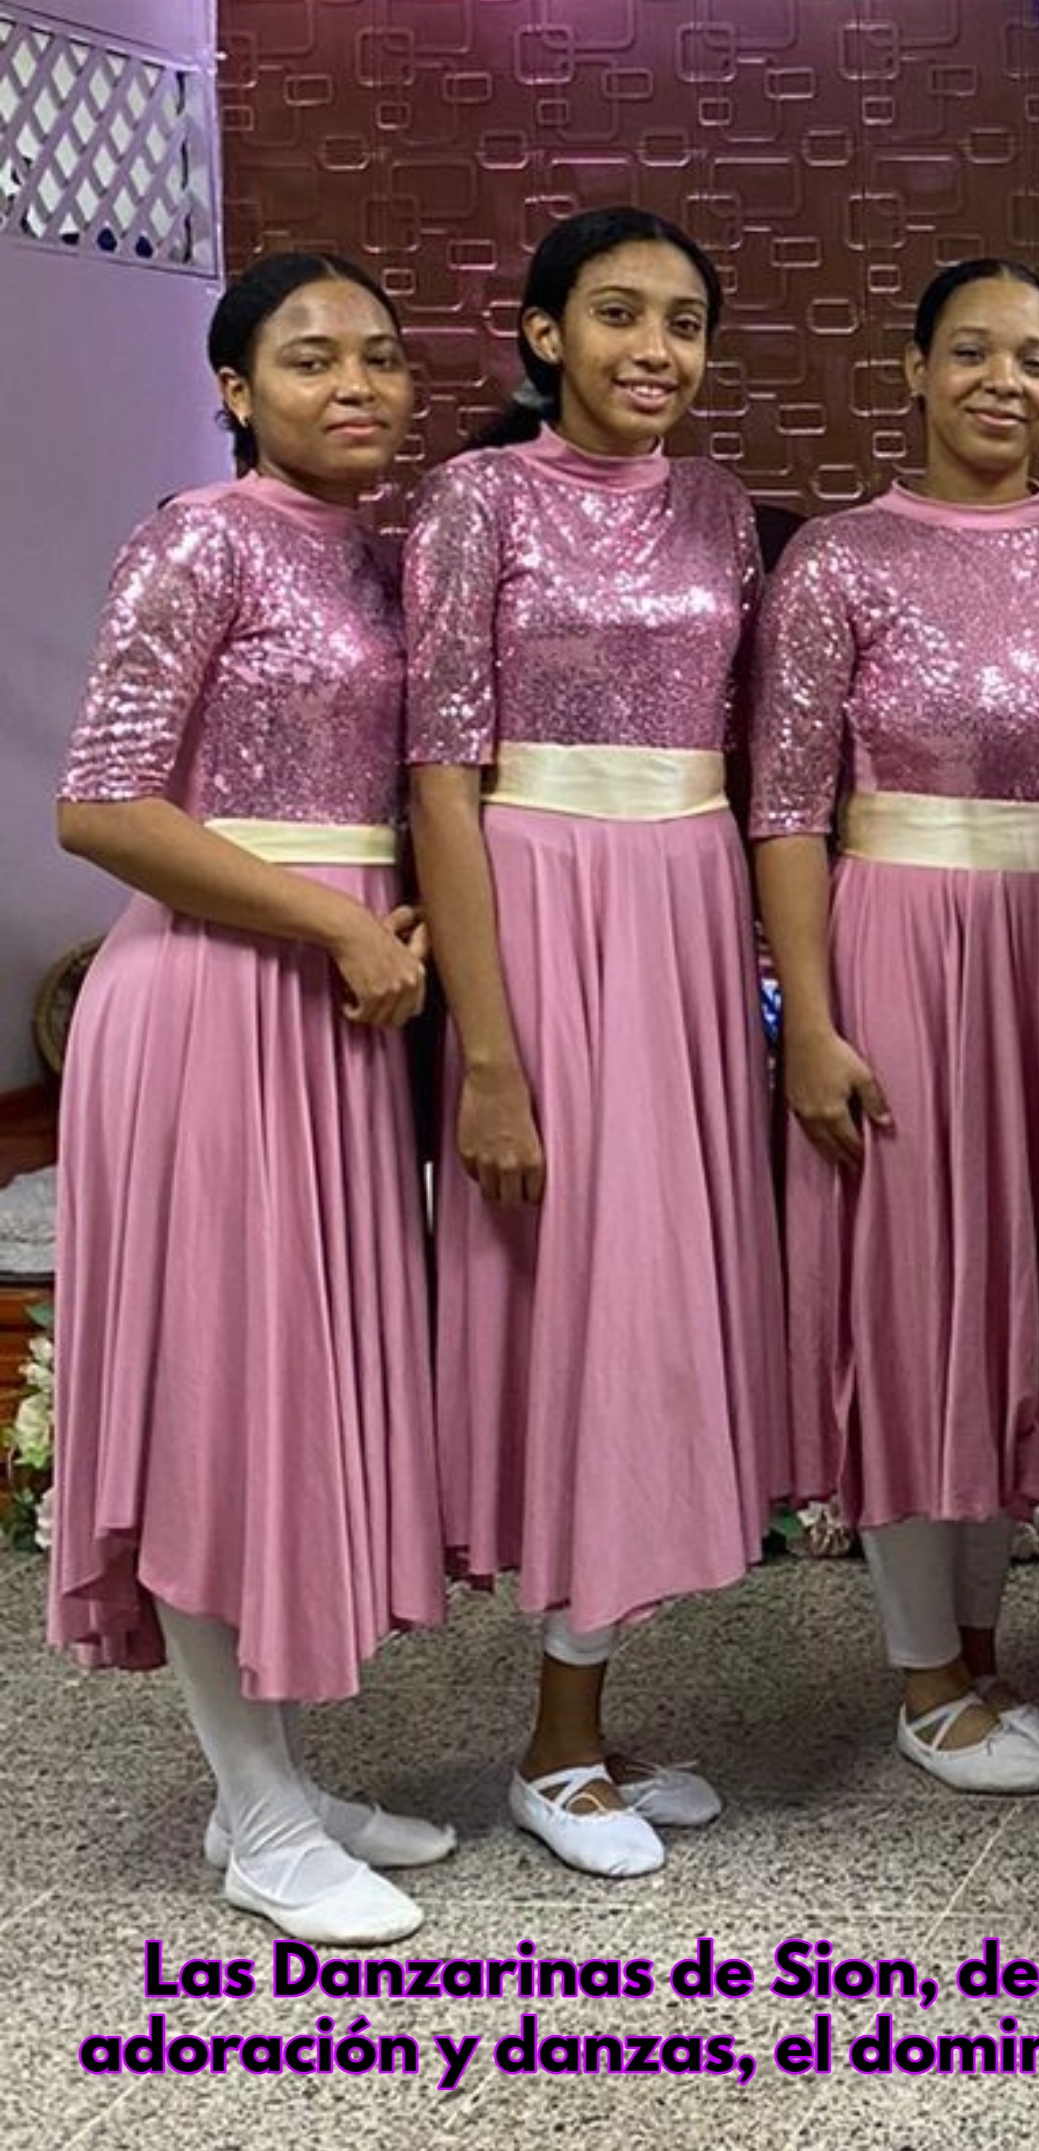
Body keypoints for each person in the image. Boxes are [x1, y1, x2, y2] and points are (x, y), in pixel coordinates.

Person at [50, 252, 446, 1947]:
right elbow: (103, 806)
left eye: (377, 355)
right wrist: (332, 922)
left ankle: (275, 1781)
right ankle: (260, 1813)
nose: (352, 383)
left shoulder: (381, 553)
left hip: (337, 1004)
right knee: (221, 1402)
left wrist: (388, 922)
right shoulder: (195, 537)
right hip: (214, 1002)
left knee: (287, 1393)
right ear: (233, 388)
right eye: (307, 359)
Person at [407, 205, 808, 1880]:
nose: (658, 350)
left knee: (659, 1299)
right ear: (543, 332)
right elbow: (440, 768)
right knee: (578, 1293)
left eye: (688, 323)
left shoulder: (725, 510)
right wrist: (485, 1051)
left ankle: (592, 1712)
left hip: (686, 911)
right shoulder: (472, 501)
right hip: (542, 904)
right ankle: (551, 1745)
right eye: (622, 316)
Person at [750, 259, 1039, 1797]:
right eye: (972, 350)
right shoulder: (839, 562)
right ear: (911, 370)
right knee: (916, 1293)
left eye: (1035, 356)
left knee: (1021, 1286)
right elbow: (785, 805)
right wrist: (809, 1016)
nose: (1006, 380)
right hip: (903, 943)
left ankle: (988, 1652)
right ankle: (924, 1673)